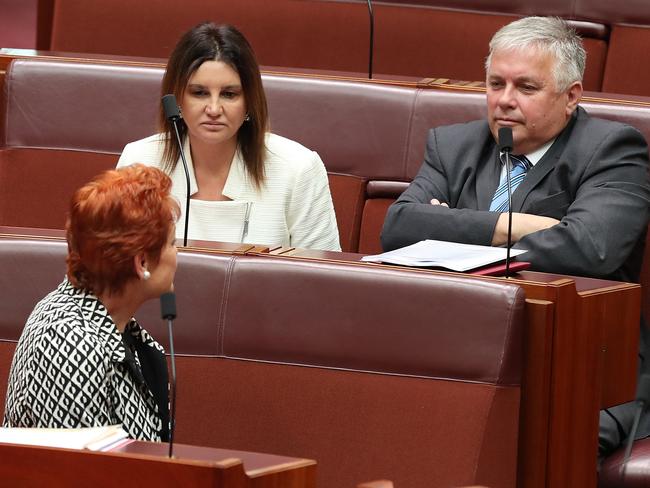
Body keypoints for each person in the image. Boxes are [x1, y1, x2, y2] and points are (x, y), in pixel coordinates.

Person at [380, 17, 650, 458]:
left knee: (534, 446)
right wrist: (512, 224)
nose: (504, 101)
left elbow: (589, 249)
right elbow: (399, 228)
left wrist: (453, 228)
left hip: (580, 368)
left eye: (526, 88)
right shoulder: (452, 146)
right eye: (495, 83)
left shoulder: (611, 149)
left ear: (571, 96)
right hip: (459, 352)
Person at [118, 22, 340, 251]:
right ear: (176, 100)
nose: (214, 109)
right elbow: (111, 268)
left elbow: (325, 280)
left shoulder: (298, 168)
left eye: (229, 94)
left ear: (249, 102)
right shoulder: (139, 160)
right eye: (200, 93)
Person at [3, 164, 180, 442]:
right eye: (172, 243)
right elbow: (80, 475)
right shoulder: (70, 344)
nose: (177, 254)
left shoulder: (113, 325)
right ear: (142, 262)